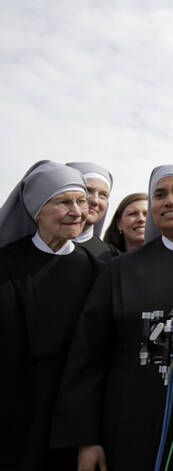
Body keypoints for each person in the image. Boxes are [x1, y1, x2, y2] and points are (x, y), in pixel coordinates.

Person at [51, 165, 173, 471]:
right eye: (160, 194)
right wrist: (86, 439)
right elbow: (88, 356)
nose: (169, 200)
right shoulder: (119, 270)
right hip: (129, 425)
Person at [0, 161, 98, 470]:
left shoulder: (97, 270)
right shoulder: (6, 263)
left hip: (67, 419)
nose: (77, 211)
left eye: (81, 202)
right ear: (37, 209)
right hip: (10, 411)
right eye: (64, 202)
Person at [66, 162, 118, 263]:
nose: (95, 201)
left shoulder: (113, 259)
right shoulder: (30, 249)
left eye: (103, 195)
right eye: (88, 190)